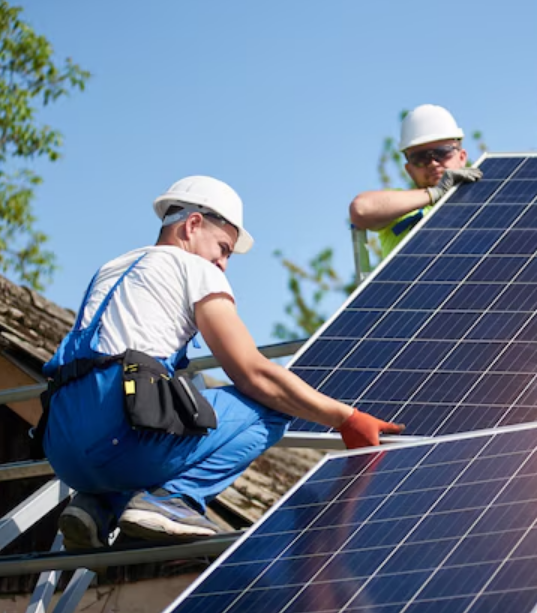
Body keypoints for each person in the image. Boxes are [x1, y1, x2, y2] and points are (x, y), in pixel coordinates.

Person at [40, 175, 404, 550]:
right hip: (119, 435)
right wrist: (346, 418)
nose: (224, 264)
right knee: (271, 406)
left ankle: (98, 506)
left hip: (62, 449)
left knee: (180, 396)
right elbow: (253, 374)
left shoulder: (114, 268)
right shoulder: (195, 270)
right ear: (193, 224)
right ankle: (173, 500)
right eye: (224, 248)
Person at [349, 104, 484, 259]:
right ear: (409, 169)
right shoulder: (400, 207)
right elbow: (361, 209)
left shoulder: (488, 201)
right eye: (420, 158)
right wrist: (436, 193)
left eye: (443, 152)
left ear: (462, 157)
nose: (433, 163)